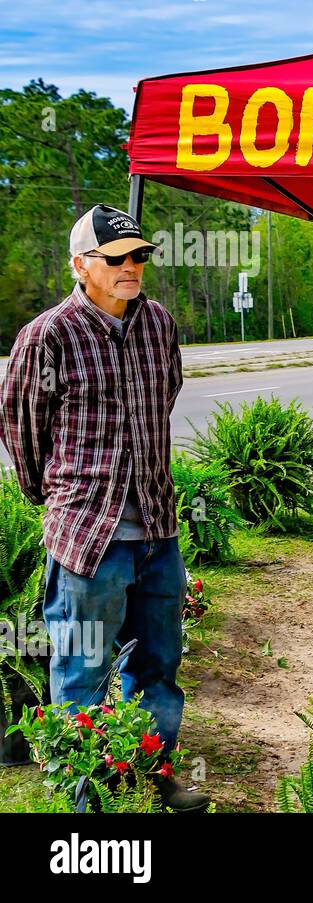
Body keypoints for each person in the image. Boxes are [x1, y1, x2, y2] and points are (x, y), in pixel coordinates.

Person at [0, 204, 209, 811]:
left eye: (139, 255)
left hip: (157, 531)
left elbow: (163, 396)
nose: (131, 267)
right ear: (80, 265)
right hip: (88, 540)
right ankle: (83, 798)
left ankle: (152, 772)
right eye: (115, 258)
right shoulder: (47, 335)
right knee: (81, 675)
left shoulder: (158, 324)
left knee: (159, 665)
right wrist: (64, 500)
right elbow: (22, 430)